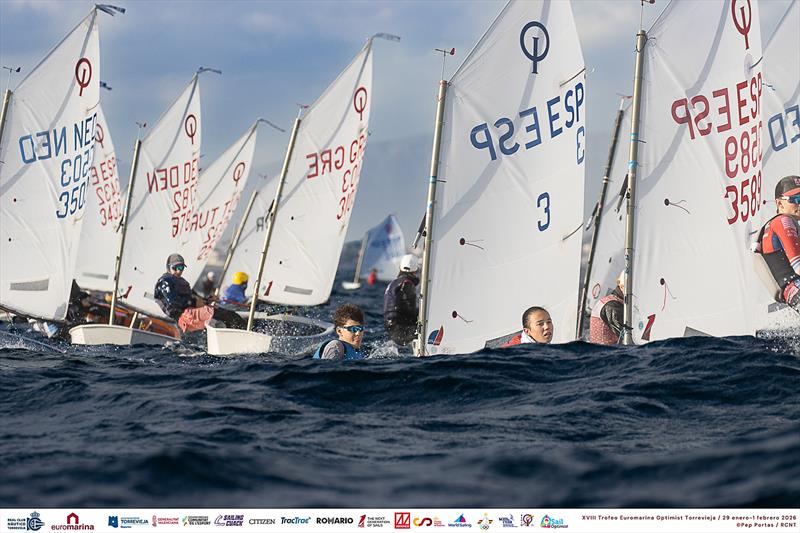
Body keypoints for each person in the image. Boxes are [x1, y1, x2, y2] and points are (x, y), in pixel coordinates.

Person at [154, 253, 246, 332]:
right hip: (185, 316)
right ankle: (245, 334)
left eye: (181, 267)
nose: (179, 271)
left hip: (192, 313)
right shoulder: (165, 281)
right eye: (175, 267)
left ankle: (234, 336)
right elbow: (173, 304)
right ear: (168, 267)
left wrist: (207, 300)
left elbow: (194, 297)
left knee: (229, 315)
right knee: (229, 316)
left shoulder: (181, 281)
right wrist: (194, 302)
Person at [756, 175, 800, 308]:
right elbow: (798, 266)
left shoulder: (773, 223)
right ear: (779, 203)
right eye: (795, 199)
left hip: (791, 294)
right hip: (795, 290)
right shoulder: (784, 221)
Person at [383, 254, 420, 346]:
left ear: (400, 267)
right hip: (401, 329)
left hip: (391, 327)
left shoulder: (395, 282)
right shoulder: (407, 283)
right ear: (416, 270)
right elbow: (407, 308)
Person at [589, 271, 625, 345]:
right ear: (621, 286)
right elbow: (627, 336)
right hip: (607, 354)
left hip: (600, 352)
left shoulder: (610, 301)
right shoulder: (613, 306)